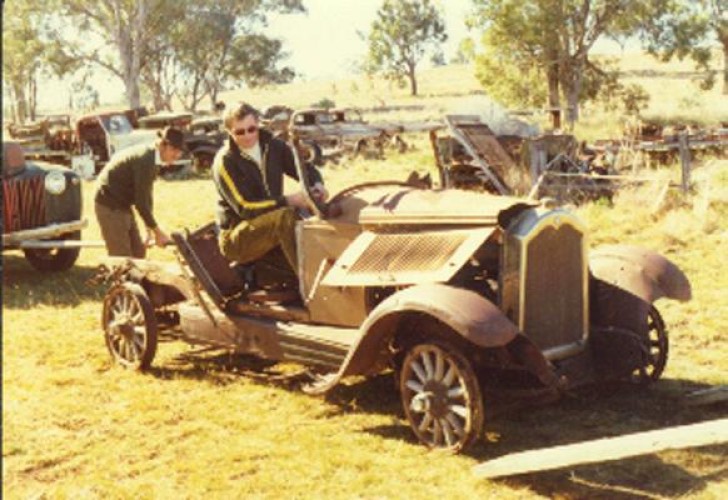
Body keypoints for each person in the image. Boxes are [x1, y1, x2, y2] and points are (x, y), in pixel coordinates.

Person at [212, 101, 327, 278]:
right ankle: (310, 284)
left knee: (313, 214)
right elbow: (245, 208)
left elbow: (305, 169)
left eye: (252, 129)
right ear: (229, 132)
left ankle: (323, 268)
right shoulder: (225, 161)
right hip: (237, 237)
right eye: (240, 132)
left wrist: (317, 185)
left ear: (258, 124)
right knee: (285, 216)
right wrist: (289, 200)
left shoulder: (273, 147)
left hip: (267, 225)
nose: (248, 136)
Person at [94, 126, 186, 258]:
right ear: (162, 145)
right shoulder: (146, 160)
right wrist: (158, 233)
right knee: (122, 259)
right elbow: (141, 203)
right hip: (108, 203)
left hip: (123, 203)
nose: (176, 156)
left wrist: (149, 230)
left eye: (179, 151)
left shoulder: (154, 157)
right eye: (174, 150)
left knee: (138, 253)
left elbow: (146, 196)